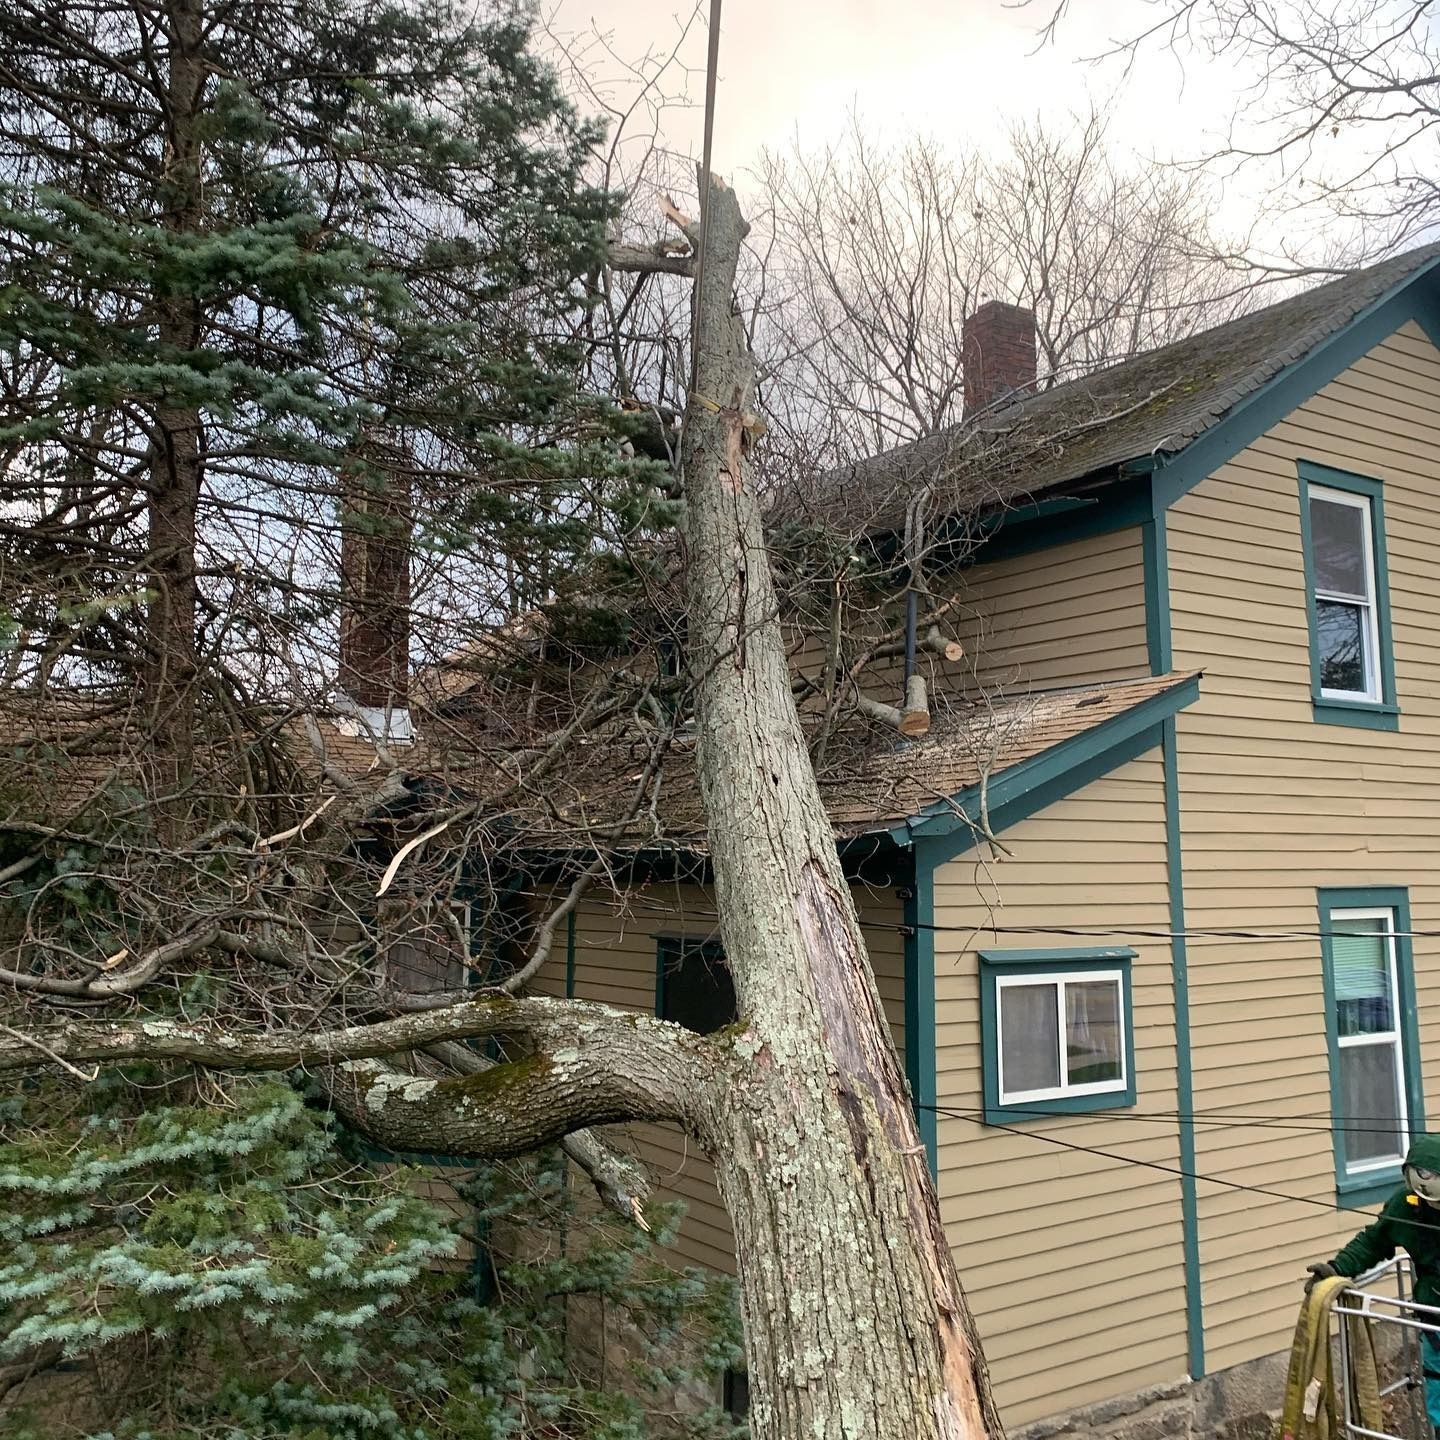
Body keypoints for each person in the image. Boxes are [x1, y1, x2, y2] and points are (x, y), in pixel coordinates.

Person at [1308, 1136, 1440, 1434]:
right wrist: (1336, 1268)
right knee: (1439, 1394)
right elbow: (1374, 1241)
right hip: (1434, 1318)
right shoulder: (1406, 1208)